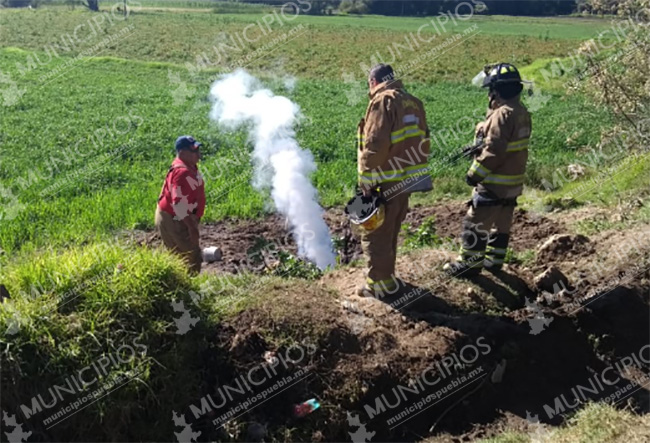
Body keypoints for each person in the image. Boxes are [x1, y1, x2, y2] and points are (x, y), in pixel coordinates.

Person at [444, 63, 532, 277]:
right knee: (501, 224)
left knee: (476, 223)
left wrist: (474, 174)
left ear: (497, 89)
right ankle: (494, 262)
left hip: (494, 183)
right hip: (512, 183)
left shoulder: (501, 115)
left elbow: (494, 151)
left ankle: (469, 266)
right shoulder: (521, 112)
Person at [356, 64, 432, 297]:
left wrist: (367, 180)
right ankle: (388, 277)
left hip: (384, 181)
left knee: (375, 233)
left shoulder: (382, 101)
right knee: (391, 229)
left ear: (373, 82)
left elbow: (375, 144)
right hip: (405, 181)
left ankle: (379, 287)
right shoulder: (412, 102)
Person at [155, 135, 206, 274]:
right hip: (175, 219)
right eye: (194, 151)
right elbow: (178, 204)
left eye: (198, 150)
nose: (199, 155)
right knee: (190, 256)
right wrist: (191, 227)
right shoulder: (182, 172)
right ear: (182, 152)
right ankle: (188, 288)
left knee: (182, 255)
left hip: (177, 217)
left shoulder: (187, 166)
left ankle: (183, 285)